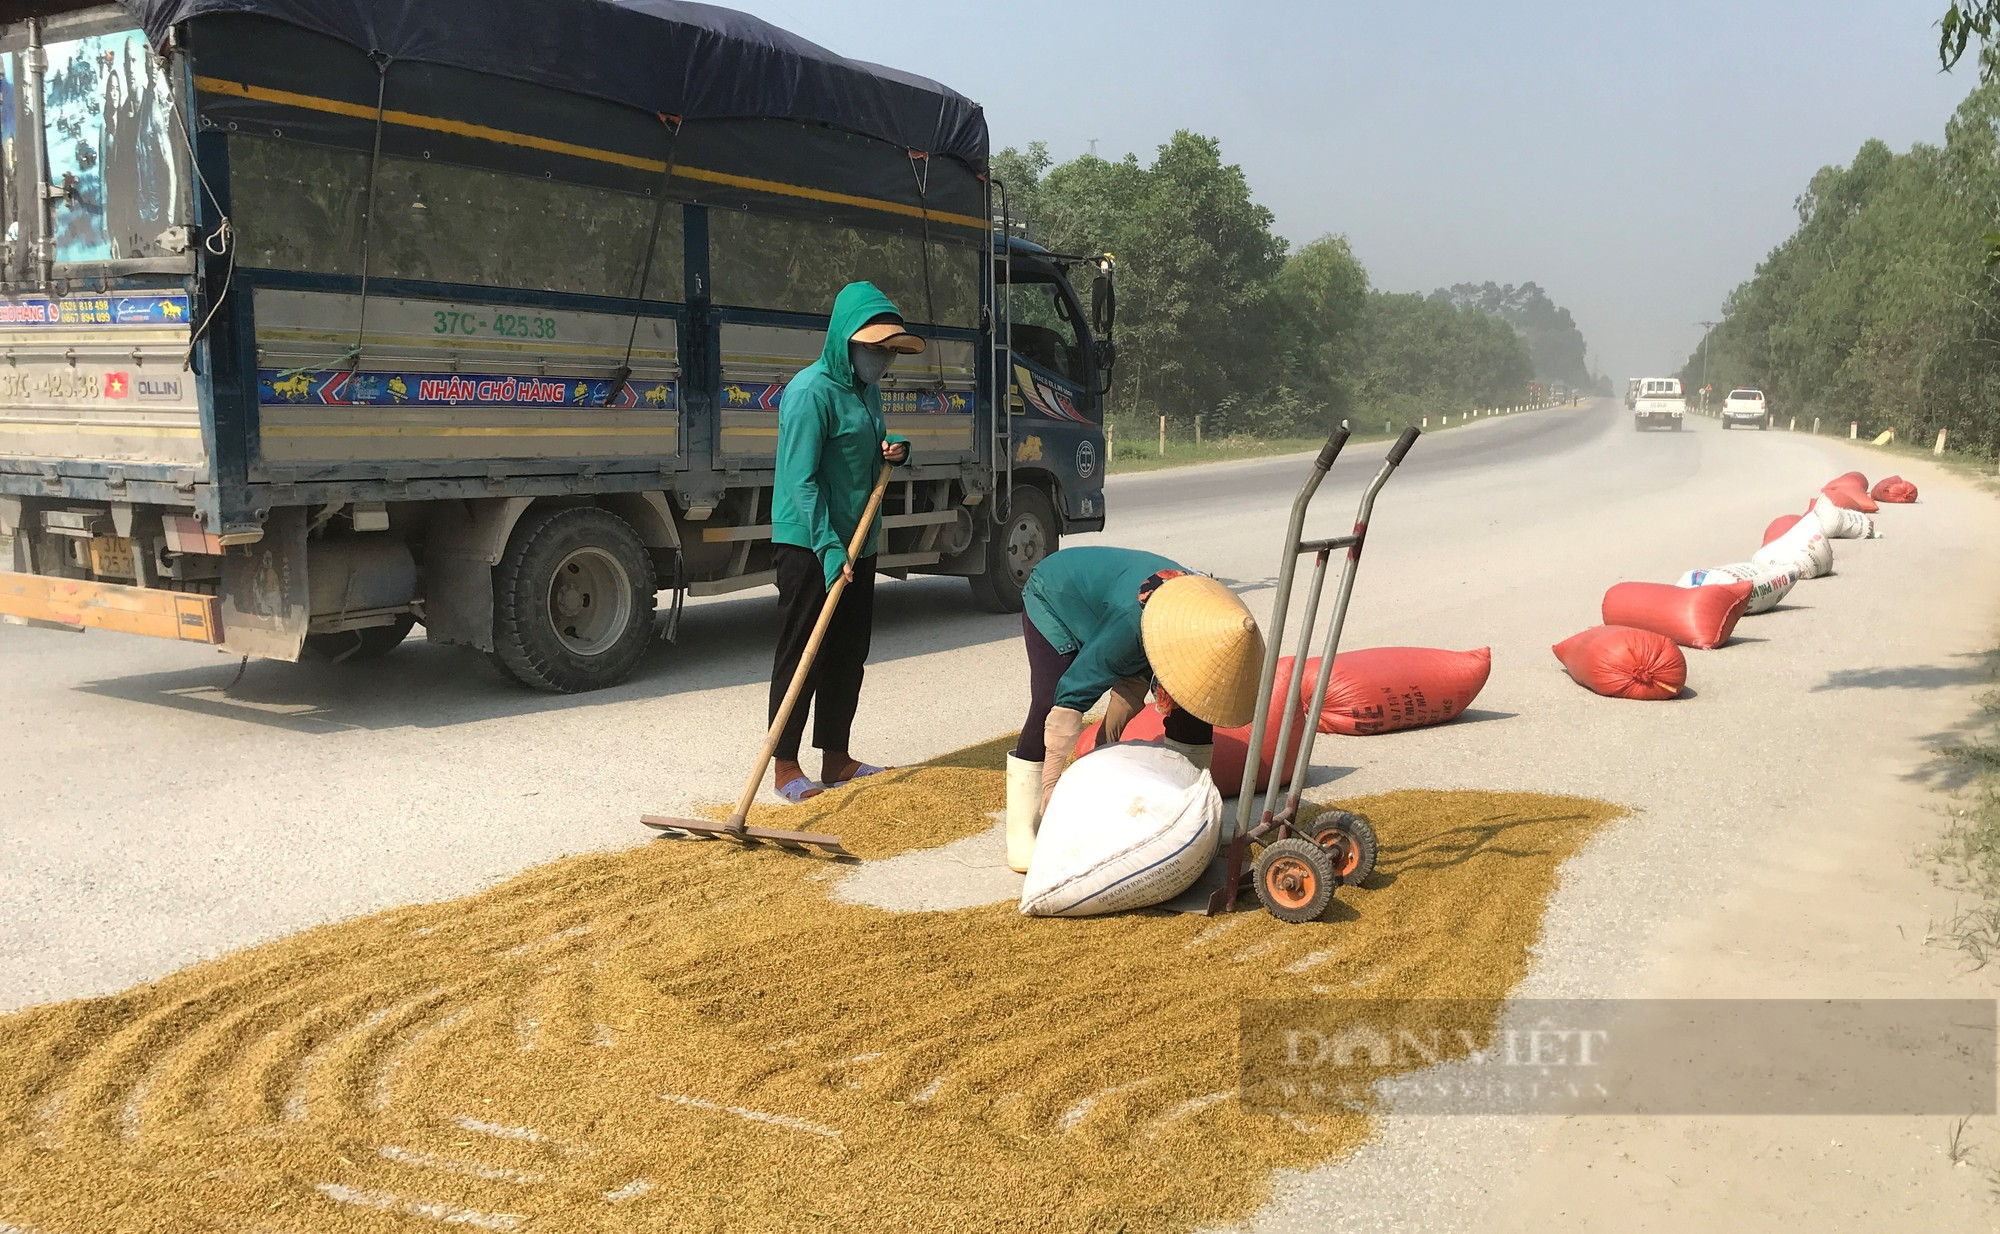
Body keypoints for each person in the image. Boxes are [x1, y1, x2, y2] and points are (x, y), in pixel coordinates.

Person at [1004, 546, 1266, 871]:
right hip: (1056, 595)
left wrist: (1103, 747)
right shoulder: (1130, 622)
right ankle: (1023, 827)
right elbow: (1076, 690)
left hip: (1126, 611)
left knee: (1190, 708)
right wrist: (1051, 787)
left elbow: (1135, 680)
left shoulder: (1209, 615)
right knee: (1049, 699)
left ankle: (1192, 818)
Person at [766, 281, 923, 803]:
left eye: (887, 351)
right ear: (845, 339)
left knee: (849, 652)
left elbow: (862, 449)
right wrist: (828, 548)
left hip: (858, 539)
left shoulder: (865, 390)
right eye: (874, 348)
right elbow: (800, 479)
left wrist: (890, 451)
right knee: (803, 653)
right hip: (811, 543)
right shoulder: (809, 392)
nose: (882, 359)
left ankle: (836, 758)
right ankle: (785, 767)